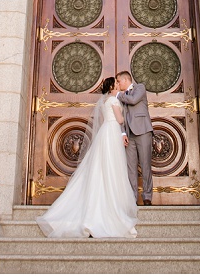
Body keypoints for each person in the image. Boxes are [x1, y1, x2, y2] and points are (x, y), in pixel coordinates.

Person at [35, 76, 139, 238]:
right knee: (112, 167)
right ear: (111, 87)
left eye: (119, 82)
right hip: (112, 132)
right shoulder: (113, 101)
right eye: (116, 83)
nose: (118, 85)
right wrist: (126, 118)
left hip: (105, 132)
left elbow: (105, 119)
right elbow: (119, 119)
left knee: (101, 166)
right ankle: (109, 206)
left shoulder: (105, 102)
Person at [116, 69, 155, 205]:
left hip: (143, 131)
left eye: (119, 81)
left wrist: (118, 96)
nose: (117, 84)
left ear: (126, 80)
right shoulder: (121, 96)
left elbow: (133, 100)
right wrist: (122, 133)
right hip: (129, 134)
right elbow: (119, 116)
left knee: (145, 165)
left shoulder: (140, 88)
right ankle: (132, 198)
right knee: (131, 168)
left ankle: (147, 196)